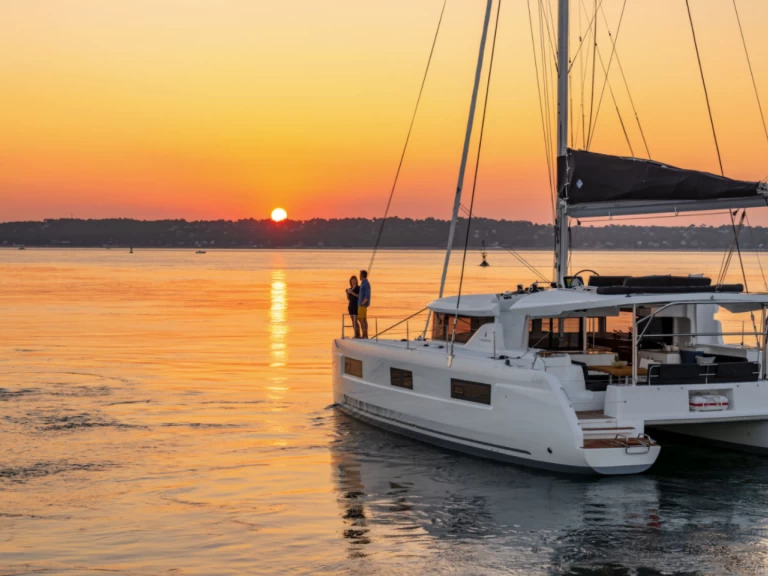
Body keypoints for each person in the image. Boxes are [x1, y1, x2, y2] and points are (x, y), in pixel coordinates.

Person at [357, 270, 371, 339]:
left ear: (362, 275)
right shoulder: (363, 283)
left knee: (361, 319)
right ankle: (365, 335)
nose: (359, 276)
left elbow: (367, 296)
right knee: (363, 319)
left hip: (362, 305)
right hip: (361, 304)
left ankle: (364, 335)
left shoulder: (366, 284)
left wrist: (362, 304)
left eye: (360, 275)